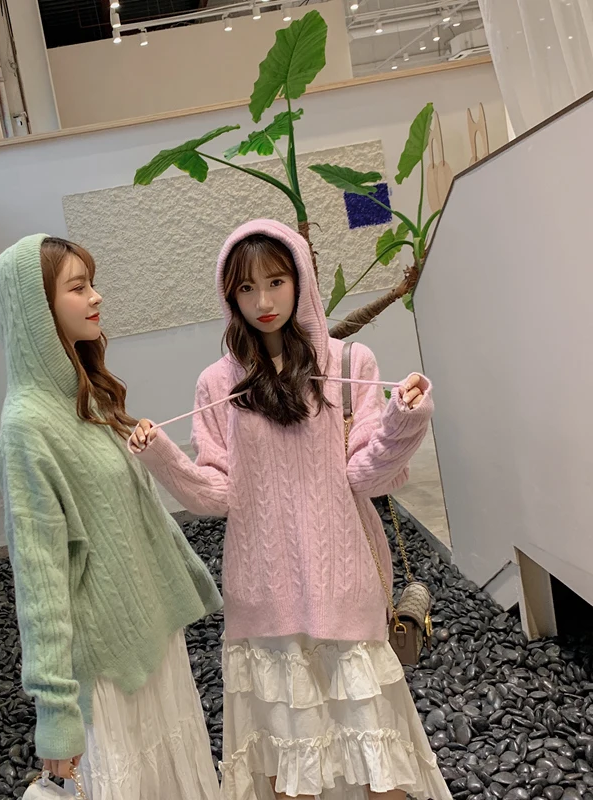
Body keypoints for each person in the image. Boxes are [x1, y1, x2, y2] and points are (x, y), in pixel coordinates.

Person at [129, 219, 452, 800]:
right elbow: (216, 495)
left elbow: (367, 476)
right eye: (246, 288)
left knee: (380, 762)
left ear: (301, 277)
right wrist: (161, 456)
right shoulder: (218, 383)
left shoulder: (348, 362)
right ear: (229, 296)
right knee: (289, 771)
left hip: (344, 585)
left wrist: (404, 421)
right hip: (265, 600)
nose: (263, 302)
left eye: (275, 281)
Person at [0, 234, 222, 800]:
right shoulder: (27, 427)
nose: (96, 297)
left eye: (91, 283)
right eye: (77, 287)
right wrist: (55, 711)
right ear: (38, 312)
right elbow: (40, 582)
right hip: (107, 667)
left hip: (151, 635)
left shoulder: (86, 398)